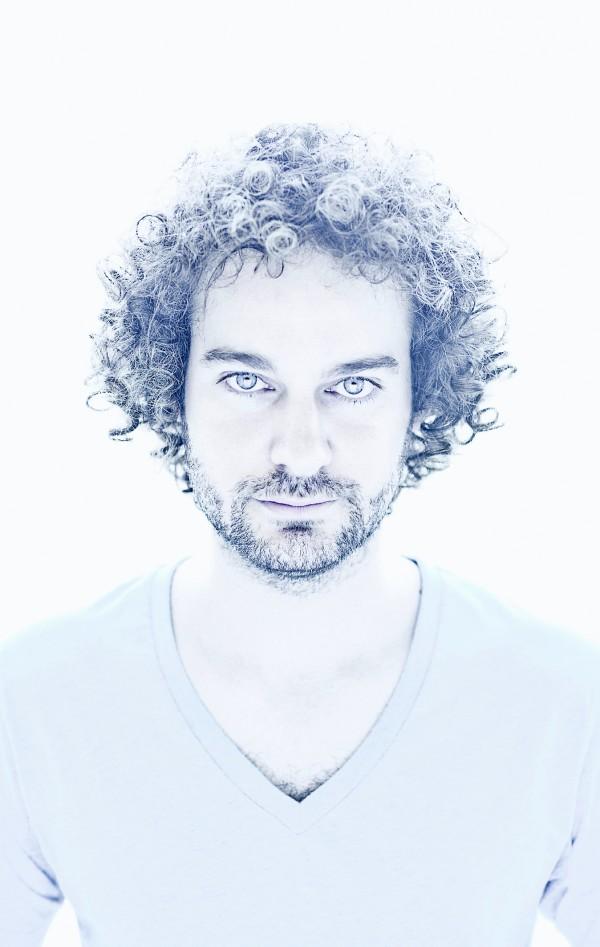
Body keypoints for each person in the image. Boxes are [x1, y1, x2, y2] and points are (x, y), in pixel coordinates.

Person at [1, 122, 598, 946]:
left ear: (421, 399)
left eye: (352, 386)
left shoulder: (565, 704)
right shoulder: (33, 701)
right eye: (247, 380)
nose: (300, 449)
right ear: (174, 389)